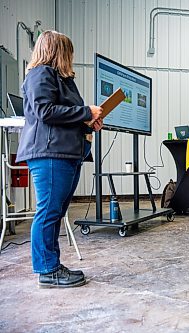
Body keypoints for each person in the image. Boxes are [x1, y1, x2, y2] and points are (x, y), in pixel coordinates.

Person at [16, 30, 103, 288]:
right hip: (49, 154)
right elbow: (45, 111)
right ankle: (47, 269)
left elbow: (65, 116)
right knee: (49, 211)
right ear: (57, 51)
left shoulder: (61, 79)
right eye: (69, 53)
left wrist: (89, 122)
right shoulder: (40, 74)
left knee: (56, 211)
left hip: (65, 153)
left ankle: (51, 265)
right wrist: (86, 111)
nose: (71, 58)